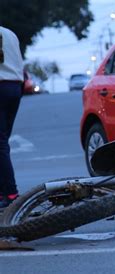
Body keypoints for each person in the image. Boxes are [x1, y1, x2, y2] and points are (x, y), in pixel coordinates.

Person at [0, 26, 23, 209]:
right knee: (2, 141)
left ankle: (11, 193)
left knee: (0, 144)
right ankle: (3, 192)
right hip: (14, 87)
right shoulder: (10, 33)